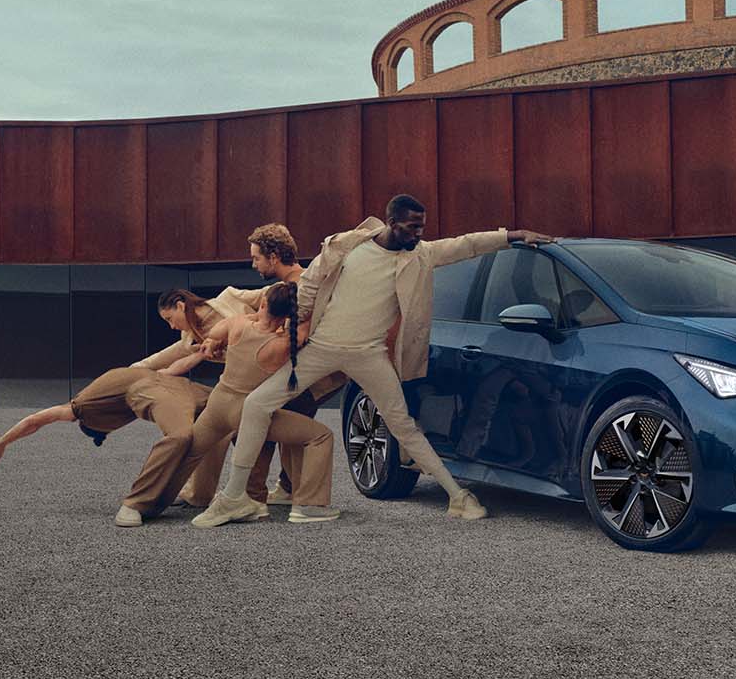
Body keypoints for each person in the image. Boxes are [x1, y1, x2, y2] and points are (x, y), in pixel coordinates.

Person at [195, 193, 555, 526]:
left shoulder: (419, 254)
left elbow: (465, 245)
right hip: (321, 347)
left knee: (403, 425)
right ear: (391, 222)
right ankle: (233, 497)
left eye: (422, 227)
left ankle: (459, 497)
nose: (418, 233)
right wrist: (297, 323)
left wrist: (512, 235)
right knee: (256, 404)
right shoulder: (347, 247)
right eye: (412, 227)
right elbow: (310, 286)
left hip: (369, 355)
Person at [170, 283, 338, 525]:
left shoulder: (238, 323)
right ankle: (308, 507)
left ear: (262, 305)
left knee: (191, 451)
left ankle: (148, 499)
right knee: (320, 435)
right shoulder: (282, 344)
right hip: (247, 412)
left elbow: (218, 330)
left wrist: (213, 342)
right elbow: (302, 332)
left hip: (218, 404)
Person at [0, 366, 212, 527]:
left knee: (225, 412)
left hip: (164, 386)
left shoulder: (80, 408)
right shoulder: (97, 401)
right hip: (163, 386)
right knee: (185, 434)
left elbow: (35, 421)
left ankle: (232, 494)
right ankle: (138, 503)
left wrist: (3, 441)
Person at [244, 222, 349, 505]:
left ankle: (269, 493)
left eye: (256, 257)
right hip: (307, 372)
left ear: (273, 257)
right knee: (284, 426)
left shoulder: (302, 288)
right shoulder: (291, 285)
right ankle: (286, 487)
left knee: (276, 424)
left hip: (311, 373)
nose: (254, 264)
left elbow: (298, 337)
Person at [136, 286, 267, 376]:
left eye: (170, 319)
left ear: (180, 306)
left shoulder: (229, 298)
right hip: (255, 372)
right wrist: (131, 370)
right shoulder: (190, 342)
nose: (172, 326)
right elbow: (161, 357)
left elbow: (268, 294)